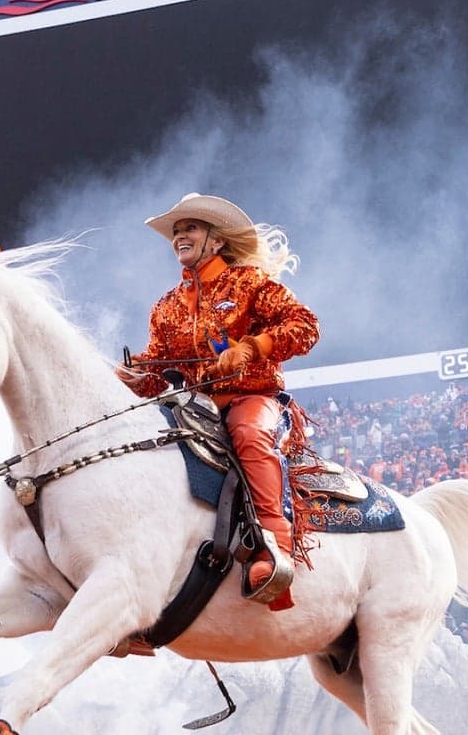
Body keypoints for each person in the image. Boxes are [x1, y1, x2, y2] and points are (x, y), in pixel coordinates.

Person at [122, 193, 320, 606]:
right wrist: (133, 376)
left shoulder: (249, 282)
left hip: (252, 397)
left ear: (215, 241)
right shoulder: (165, 307)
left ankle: (275, 550)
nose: (180, 236)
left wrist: (252, 347)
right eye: (177, 230)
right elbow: (158, 369)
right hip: (194, 407)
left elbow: (304, 326)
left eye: (190, 227)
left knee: (248, 434)